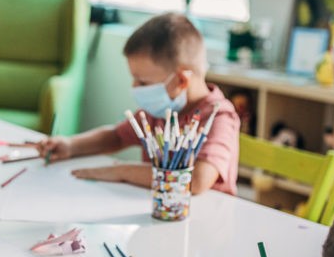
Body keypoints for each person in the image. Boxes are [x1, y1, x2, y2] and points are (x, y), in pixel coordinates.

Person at [36, 13, 240, 195]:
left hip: (205, 222)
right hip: (157, 211)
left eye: (143, 82)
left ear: (181, 81)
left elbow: (197, 181)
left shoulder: (219, 116)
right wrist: (71, 145)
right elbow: (116, 136)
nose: (135, 87)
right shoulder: (160, 111)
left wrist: (122, 171)